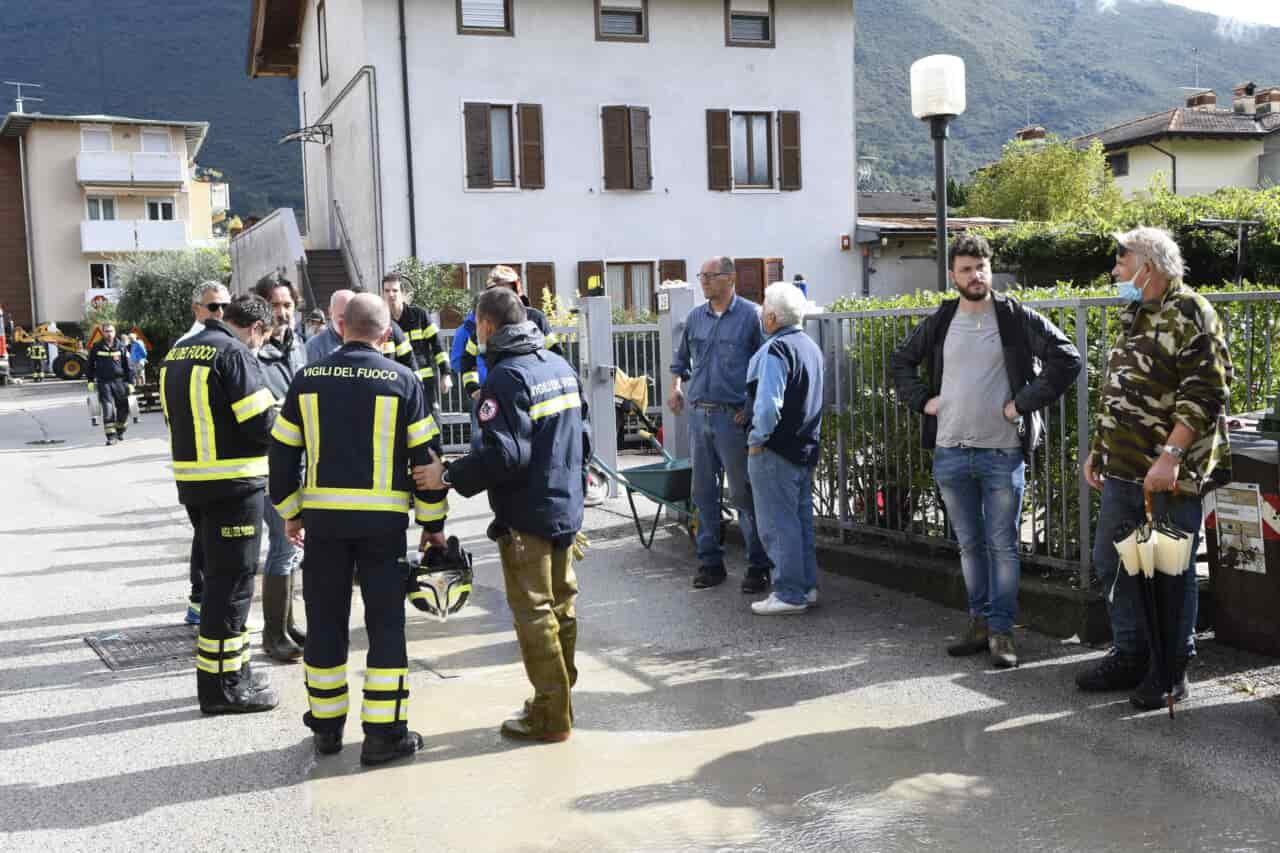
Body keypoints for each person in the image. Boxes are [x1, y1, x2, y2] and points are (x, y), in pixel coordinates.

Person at [270, 294, 448, 764]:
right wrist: (433, 526)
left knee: (325, 624)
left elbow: (281, 455)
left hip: (323, 526)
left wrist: (291, 510)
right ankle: (384, 735)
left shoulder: (307, 379)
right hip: (383, 527)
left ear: (341, 326)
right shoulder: (404, 381)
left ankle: (327, 730)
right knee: (386, 627)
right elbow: (425, 461)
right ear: (386, 334)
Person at [888, 234, 1080, 668]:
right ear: (952, 275)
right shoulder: (941, 319)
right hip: (950, 450)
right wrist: (923, 400)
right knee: (969, 546)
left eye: (982, 267)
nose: (976, 275)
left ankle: (1002, 632)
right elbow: (901, 361)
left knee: (1003, 547)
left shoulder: (1014, 318)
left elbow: (1066, 358)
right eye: (967, 269)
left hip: (1001, 451)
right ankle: (978, 622)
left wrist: (1023, 403)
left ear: (991, 269)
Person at [415, 287, 590, 743]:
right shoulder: (558, 366)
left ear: (487, 326)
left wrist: (447, 476)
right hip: (565, 509)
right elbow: (583, 438)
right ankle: (560, 701)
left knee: (535, 614)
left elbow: (504, 455)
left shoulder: (505, 378)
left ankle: (551, 716)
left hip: (528, 516)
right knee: (563, 608)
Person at [1076, 227, 1232, 710]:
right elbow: (1118, 386)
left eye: (1122, 262)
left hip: (1168, 472)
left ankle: (1169, 669)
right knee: (1114, 560)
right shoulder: (1136, 311)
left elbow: (1206, 393)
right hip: (1123, 468)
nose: (1116, 271)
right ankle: (1131, 653)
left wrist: (1171, 456)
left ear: (1149, 265)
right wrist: (1099, 449)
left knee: (1168, 569)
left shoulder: (1192, 312)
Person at [161, 294, 279, 714]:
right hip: (234, 486)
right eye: (265, 339)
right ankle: (223, 689)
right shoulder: (234, 353)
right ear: (258, 329)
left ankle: (237, 672)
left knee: (219, 582)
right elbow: (262, 424)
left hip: (194, 482)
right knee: (231, 589)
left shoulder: (179, 350)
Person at [667, 256, 771, 592]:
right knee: (703, 493)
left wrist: (751, 406)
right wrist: (676, 388)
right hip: (700, 414)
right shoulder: (696, 317)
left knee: (743, 494)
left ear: (729, 279)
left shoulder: (751, 316)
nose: (704, 282)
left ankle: (758, 566)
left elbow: (765, 366)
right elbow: (680, 361)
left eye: (710, 276)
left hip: (732, 417)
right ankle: (710, 562)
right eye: (702, 276)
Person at [745, 282, 824, 615]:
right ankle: (805, 588)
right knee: (800, 522)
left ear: (772, 317)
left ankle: (789, 593)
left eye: (764, 308)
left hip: (774, 450)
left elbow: (766, 407)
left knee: (777, 524)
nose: (761, 313)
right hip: (804, 448)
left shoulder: (776, 350)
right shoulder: (810, 347)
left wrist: (756, 440)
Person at [252, 276, 309, 662]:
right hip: (275, 460)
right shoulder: (255, 353)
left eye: (288, 305)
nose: (283, 312)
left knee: (294, 548)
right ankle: (273, 635)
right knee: (283, 546)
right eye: (275, 305)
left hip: (301, 457)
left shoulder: (298, 344)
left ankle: (287, 624)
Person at [176, 283, 232, 625]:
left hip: (195, 459)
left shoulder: (189, 346)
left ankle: (200, 602)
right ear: (197, 308)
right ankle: (204, 604)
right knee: (209, 537)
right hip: (209, 459)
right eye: (213, 307)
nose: (220, 313)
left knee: (205, 535)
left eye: (225, 305)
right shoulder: (194, 345)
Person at [453, 266, 563, 402]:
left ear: (516, 290)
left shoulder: (536, 318)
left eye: (506, 290)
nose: (502, 297)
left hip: (538, 393)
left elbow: (555, 353)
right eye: (497, 292)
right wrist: (473, 389)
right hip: (500, 395)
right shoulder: (486, 325)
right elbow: (467, 361)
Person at [382, 272, 453, 412]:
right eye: (387, 291)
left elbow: (438, 346)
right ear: (383, 293)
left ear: (402, 293)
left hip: (424, 382)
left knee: (431, 423)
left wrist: (446, 374)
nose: (391, 294)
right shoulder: (381, 320)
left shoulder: (419, 315)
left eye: (395, 290)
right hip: (395, 383)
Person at [308, 287, 418, 374]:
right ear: (330, 312)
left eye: (352, 316)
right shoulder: (315, 346)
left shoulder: (383, 329)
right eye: (342, 317)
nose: (348, 323)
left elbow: (409, 360)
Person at [86, 322, 133, 446]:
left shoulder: (122, 347)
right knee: (108, 408)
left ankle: (120, 430)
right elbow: (89, 365)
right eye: (106, 331)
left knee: (124, 408)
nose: (109, 333)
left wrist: (130, 382)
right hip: (104, 382)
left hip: (120, 381)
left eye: (111, 331)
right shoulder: (96, 347)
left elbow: (129, 367)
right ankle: (111, 436)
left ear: (115, 332)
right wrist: (90, 381)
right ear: (103, 332)